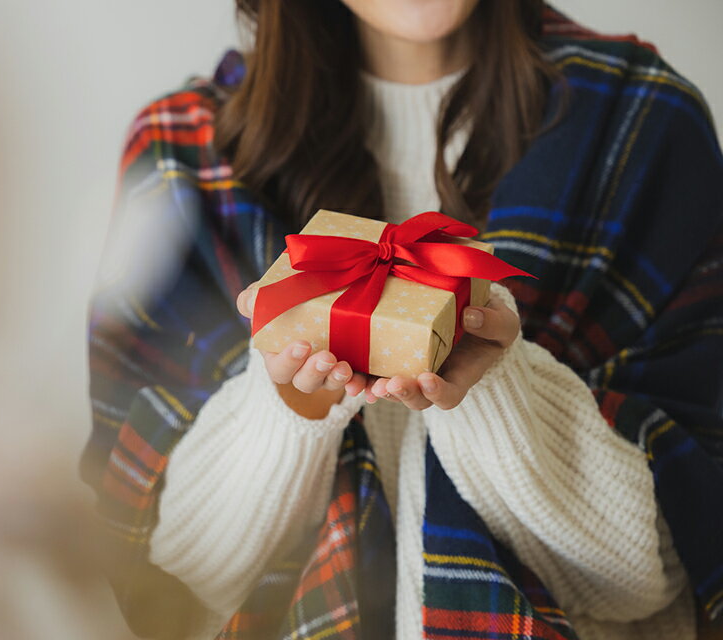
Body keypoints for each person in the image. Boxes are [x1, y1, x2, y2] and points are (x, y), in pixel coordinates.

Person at [83, 2, 723, 639]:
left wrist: (499, 391)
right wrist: (285, 407)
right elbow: (157, 588)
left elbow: (669, 570)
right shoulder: (182, 156)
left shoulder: (640, 124)